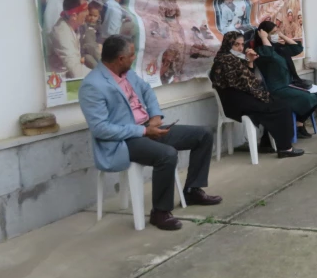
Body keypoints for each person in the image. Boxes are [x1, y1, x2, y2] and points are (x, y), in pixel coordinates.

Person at [79, 35, 220, 231]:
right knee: (167, 155)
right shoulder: (93, 85)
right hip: (125, 139)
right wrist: (143, 131)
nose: (133, 59)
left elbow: (147, 91)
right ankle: (160, 212)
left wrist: (155, 116)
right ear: (120, 59)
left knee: (203, 134)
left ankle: (192, 190)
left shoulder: (127, 73)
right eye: (131, 55)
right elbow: (101, 129)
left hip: (148, 127)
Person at [209, 31, 304, 158]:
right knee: (281, 107)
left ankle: (276, 144)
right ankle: (285, 148)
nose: (240, 48)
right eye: (236, 44)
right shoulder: (227, 61)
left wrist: (250, 62)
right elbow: (247, 84)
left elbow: (247, 80)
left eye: (242, 44)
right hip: (234, 102)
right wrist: (262, 94)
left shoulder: (231, 59)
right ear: (228, 44)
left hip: (239, 98)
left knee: (277, 103)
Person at [254, 21, 317, 137]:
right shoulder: (260, 51)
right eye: (272, 33)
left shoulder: (278, 48)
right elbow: (268, 53)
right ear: (264, 34)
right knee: (308, 97)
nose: (275, 34)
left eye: (276, 31)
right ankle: (298, 126)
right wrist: (264, 38)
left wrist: (281, 35)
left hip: (291, 83)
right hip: (278, 88)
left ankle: (299, 123)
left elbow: (297, 49)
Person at [48, 0, 91, 79]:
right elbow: (76, 71)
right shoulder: (62, 34)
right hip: (60, 81)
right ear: (74, 16)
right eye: (85, 10)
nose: (88, 13)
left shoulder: (74, 25)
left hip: (71, 74)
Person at [81, 1, 103, 69]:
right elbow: (78, 40)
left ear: (98, 16)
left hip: (94, 49)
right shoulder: (82, 24)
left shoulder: (98, 26)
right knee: (91, 60)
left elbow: (99, 38)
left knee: (96, 59)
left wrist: (100, 45)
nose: (92, 18)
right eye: (90, 15)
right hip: (84, 50)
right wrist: (81, 55)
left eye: (95, 16)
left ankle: (104, 70)